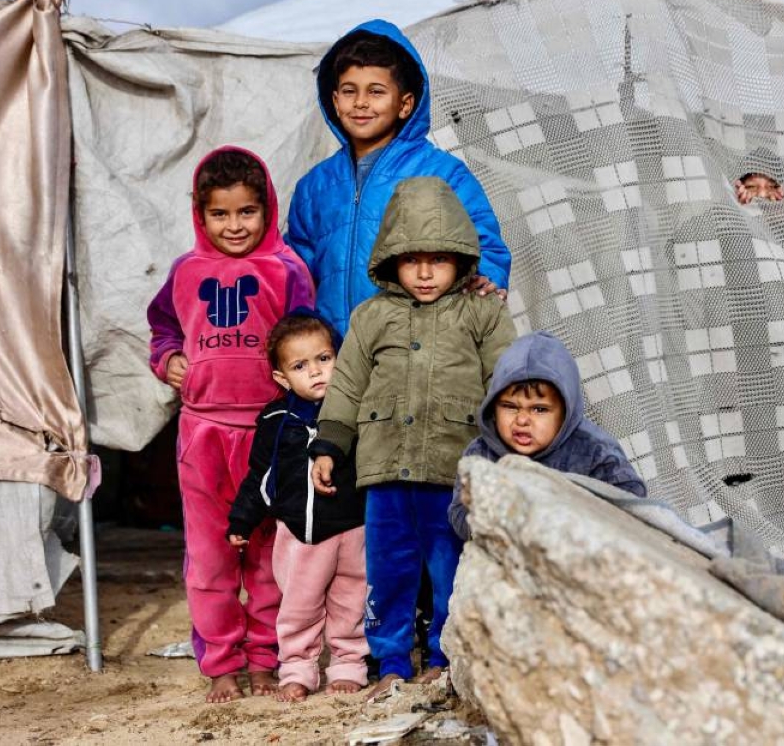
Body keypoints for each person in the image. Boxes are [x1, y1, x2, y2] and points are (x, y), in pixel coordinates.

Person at [308, 176, 517, 700]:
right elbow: (348, 384)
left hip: (452, 471)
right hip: (385, 472)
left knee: (451, 570)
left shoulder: (483, 312)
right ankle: (391, 660)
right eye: (411, 259)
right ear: (390, 259)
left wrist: (507, 450)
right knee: (389, 570)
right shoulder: (371, 316)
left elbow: (504, 381)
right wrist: (330, 444)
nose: (425, 273)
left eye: (439, 259)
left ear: (461, 259)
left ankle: (446, 658)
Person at [147, 146, 314, 703]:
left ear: (267, 210)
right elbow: (163, 328)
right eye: (220, 214)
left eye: (247, 211)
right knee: (210, 556)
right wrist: (168, 358)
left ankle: (265, 658)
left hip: (270, 434)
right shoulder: (185, 271)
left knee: (268, 555)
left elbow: (306, 340)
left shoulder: (286, 270)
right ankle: (220, 663)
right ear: (200, 214)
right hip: (202, 434)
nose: (234, 225)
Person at [286, 19, 511, 338]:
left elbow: (483, 243)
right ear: (335, 101)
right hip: (337, 353)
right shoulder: (314, 188)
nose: (360, 102)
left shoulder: (441, 173)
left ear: (405, 104)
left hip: (419, 348)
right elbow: (295, 273)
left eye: (376, 91)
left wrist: (486, 279)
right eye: (349, 91)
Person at [226, 311, 368, 702]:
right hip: (301, 535)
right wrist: (242, 519)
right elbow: (260, 476)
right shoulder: (276, 420)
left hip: (355, 526)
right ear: (282, 378)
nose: (316, 371)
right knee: (299, 606)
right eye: (300, 366)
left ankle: (349, 664)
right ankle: (297, 668)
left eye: (324, 358)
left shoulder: (357, 412)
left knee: (351, 601)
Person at [448, 332, 648, 540]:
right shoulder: (481, 454)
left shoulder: (594, 450)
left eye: (539, 409)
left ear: (566, 412)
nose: (522, 420)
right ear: (493, 407)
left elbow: (631, 499)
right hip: (506, 550)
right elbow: (459, 512)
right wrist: (490, 523)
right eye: (510, 406)